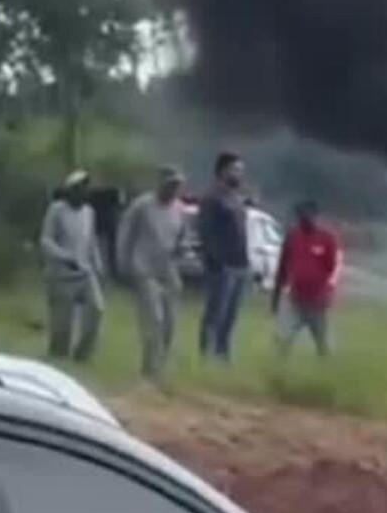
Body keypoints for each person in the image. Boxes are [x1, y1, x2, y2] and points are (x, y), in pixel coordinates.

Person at [116, 165, 187, 381]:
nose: (174, 189)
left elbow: (181, 236)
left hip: (168, 269)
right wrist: (123, 264)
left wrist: (180, 250)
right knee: (153, 320)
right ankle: (149, 369)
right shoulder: (142, 206)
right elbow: (124, 235)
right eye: (170, 185)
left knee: (170, 323)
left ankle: (162, 366)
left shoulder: (178, 209)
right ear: (161, 184)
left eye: (177, 186)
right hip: (144, 269)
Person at [39, 170, 105, 362]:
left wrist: (98, 266)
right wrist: (65, 257)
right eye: (80, 189)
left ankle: (82, 355)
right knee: (63, 327)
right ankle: (58, 359)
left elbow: (91, 242)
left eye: (86, 189)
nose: (84, 193)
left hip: (84, 273)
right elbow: (45, 241)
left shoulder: (89, 212)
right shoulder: (56, 210)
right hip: (61, 275)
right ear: (71, 191)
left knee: (97, 310)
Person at [197, 152, 250, 362]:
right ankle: (207, 354)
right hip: (222, 265)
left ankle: (223, 354)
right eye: (235, 169)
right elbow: (206, 231)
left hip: (240, 264)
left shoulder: (236, 198)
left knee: (231, 315)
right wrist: (214, 259)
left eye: (241, 170)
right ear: (222, 171)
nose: (240, 174)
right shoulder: (212, 198)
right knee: (216, 313)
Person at [272, 200, 341, 357]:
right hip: (296, 298)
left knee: (323, 342)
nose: (304, 220)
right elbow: (282, 267)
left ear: (316, 216)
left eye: (307, 216)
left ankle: (325, 372)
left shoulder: (328, 238)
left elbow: (335, 268)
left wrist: (329, 292)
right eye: (300, 217)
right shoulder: (292, 236)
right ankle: (279, 371)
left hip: (319, 301)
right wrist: (276, 297)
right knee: (283, 337)